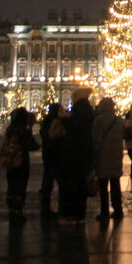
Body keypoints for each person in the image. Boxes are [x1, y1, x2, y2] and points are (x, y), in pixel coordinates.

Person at [59, 87, 95, 224]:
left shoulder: (79, 111)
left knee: (73, 185)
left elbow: (74, 128)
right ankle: (80, 215)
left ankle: (72, 215)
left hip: (76, 154)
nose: (72, 98)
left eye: (74, 96)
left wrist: (64, 119)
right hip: (84, 152)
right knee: (80, 185)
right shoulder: (87, 109)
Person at [1, 107, 40, 224]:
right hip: (21, 160)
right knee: (20, 185)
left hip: (10, 160)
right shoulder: (23, 129)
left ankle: (11, 209)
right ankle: (18, 211)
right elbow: (31, 145)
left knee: (11, 184)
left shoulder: (10, 128)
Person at [92, 96, 125, 220]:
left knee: (103, 187)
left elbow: (95, 137)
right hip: (116, 156)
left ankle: (104, 211)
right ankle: (118, 210)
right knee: (116, 184)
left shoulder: (98, 120)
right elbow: (123, 134)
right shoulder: (119, 120)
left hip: (102, 156)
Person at [39, 102, 66, 216]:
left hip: (48, 155)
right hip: (57, 155)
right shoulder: (58, 122)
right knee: (62, 183)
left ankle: (45, 207)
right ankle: (62, 207)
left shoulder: (45, 122)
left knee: (47, 182)